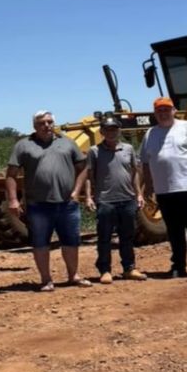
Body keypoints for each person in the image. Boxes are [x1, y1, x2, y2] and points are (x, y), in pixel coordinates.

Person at [6, 110, 92, 292]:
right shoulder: (23, 146)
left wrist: (77, 191)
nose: (47, 125)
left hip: (67, 203)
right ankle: (46, 280)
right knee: (40, 243)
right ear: (34, 126)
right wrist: (13, 200)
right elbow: (11, 175)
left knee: (71, 241)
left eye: (50, 122)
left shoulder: (67, 143)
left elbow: (84, 168)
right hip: (38, 205)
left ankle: (73, 276)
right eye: (42, 123)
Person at [140, 97, 187, 279]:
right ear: (155, 114)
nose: (163, 113)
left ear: (174, 111)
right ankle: (178, 266)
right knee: (174, 231)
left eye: (167, 110)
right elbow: (144, 162)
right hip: (164, 192)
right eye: (160, 111)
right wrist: (148, 186)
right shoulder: (150, 134)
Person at [72, 116, 148, 284]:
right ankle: (105, 270)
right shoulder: (94, 151)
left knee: (127, 236)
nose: (111, 132)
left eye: (114, 129)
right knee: (104, 237)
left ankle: (129, 268)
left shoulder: (128, 149)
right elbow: (89, 175)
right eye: (107, 129)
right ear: (102, 132)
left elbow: (134, 173)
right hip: (105, 200)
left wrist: (139, 194)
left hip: (127, 199)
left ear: (119, 131)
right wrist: (89, 197)